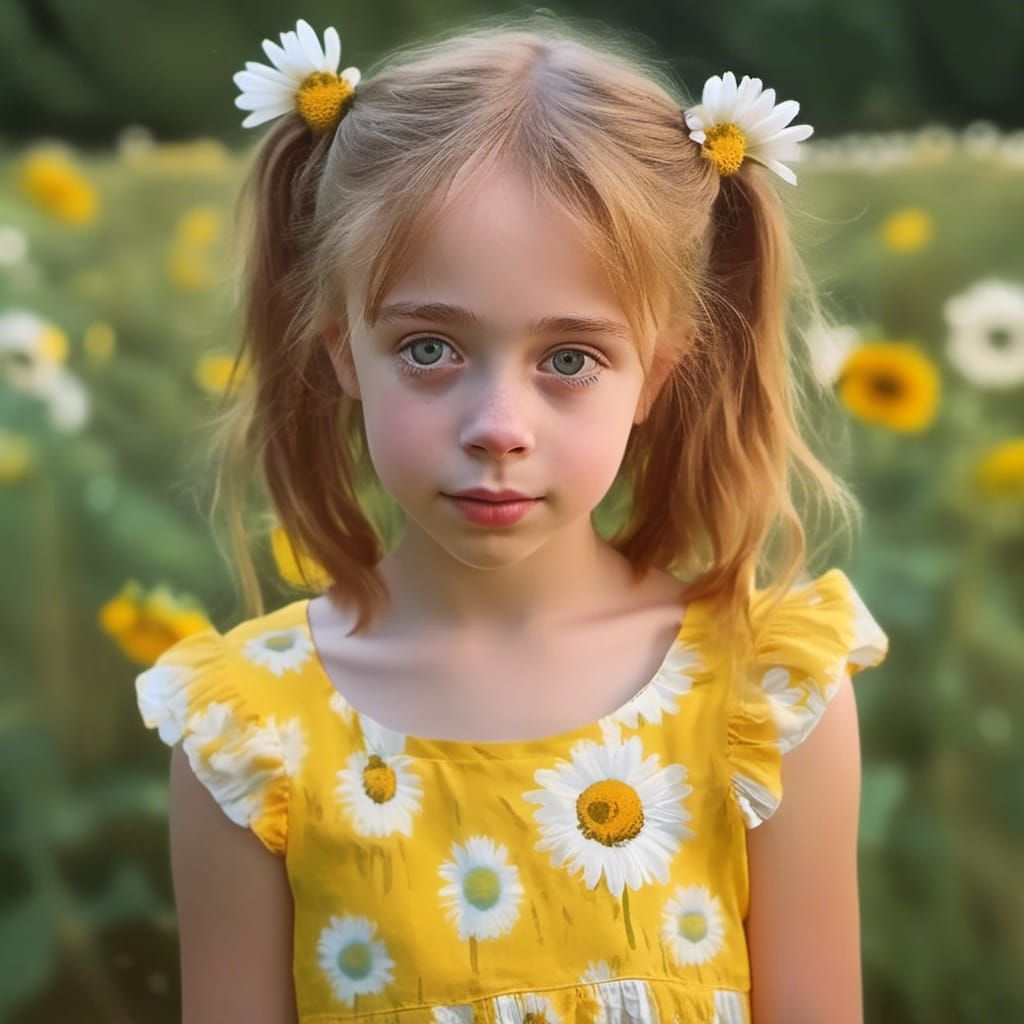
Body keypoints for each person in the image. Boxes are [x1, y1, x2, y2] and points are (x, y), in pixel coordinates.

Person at [135, 12, 890, 1023]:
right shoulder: (248, 741)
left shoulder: (765, 700)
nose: (497, 426)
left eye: (569, 359)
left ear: (654, 376)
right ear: (338, 352)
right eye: (429, 348)